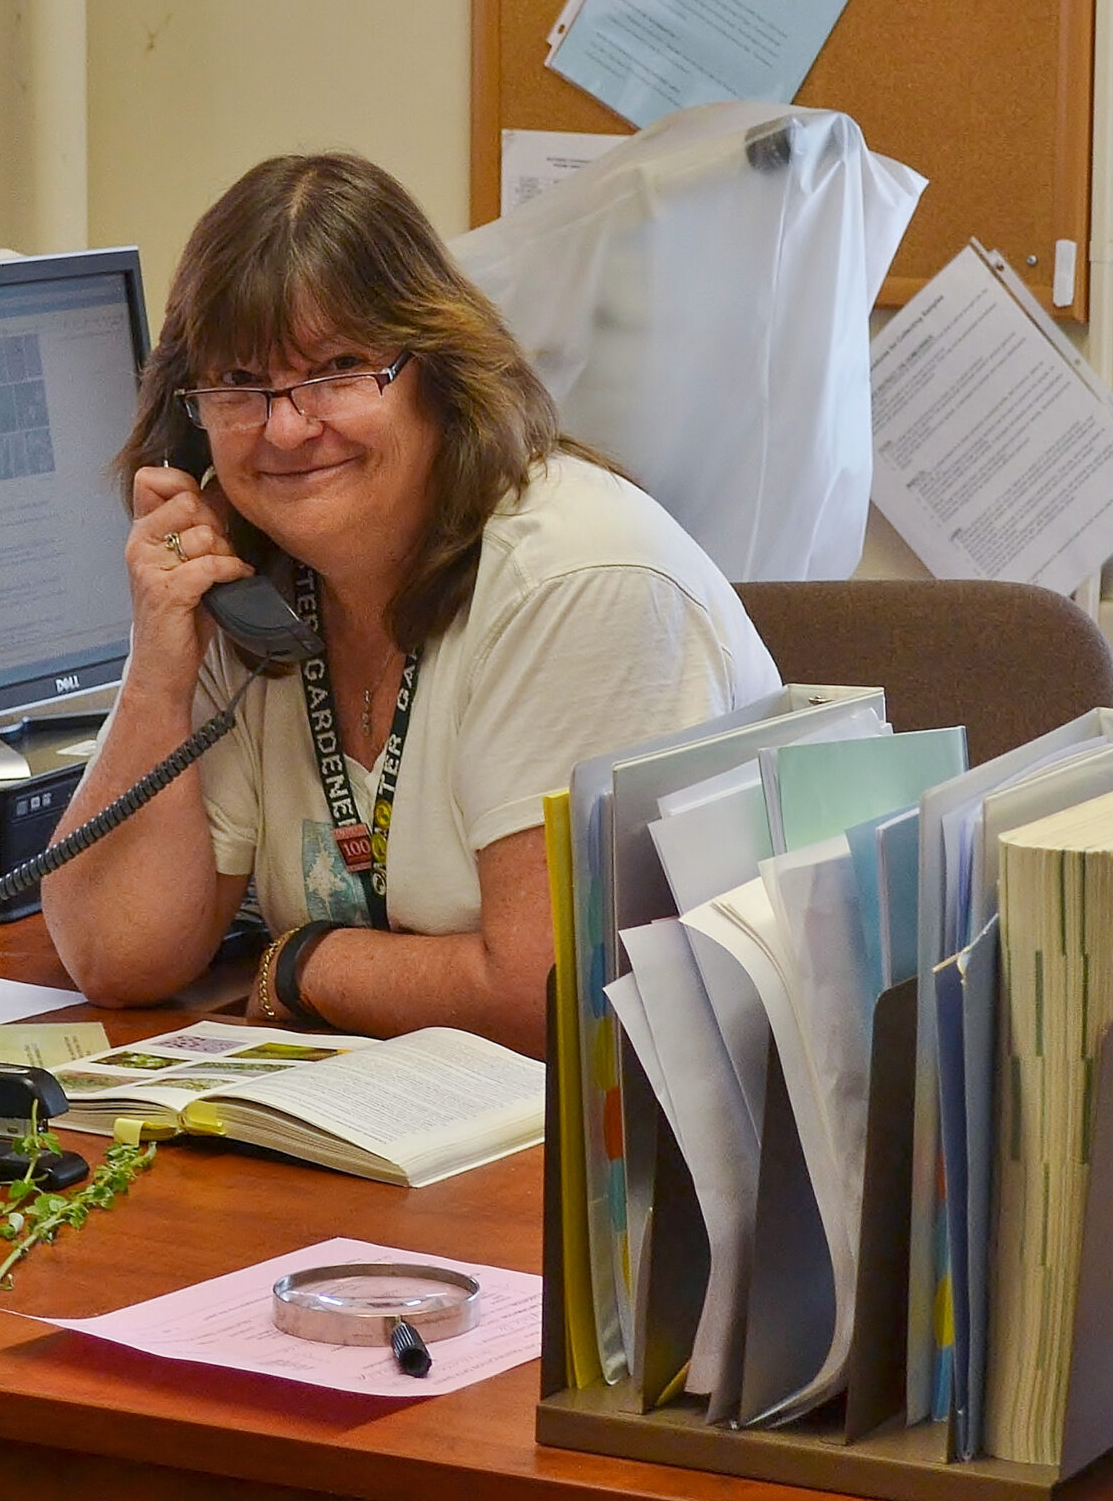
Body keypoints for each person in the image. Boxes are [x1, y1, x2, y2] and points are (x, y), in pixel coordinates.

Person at [39, 152, 781, 1053]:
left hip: (612, 1162)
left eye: (339, 369)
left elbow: (545, 997)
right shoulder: (259, 585)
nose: (285, 426)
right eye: (240, 384)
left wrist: (304, 961)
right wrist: (159, 662)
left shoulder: (575, 578)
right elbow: (119, 956)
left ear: (437, 369)